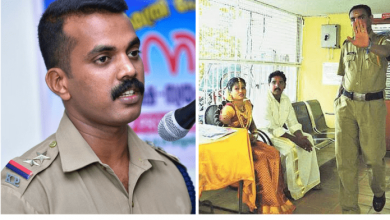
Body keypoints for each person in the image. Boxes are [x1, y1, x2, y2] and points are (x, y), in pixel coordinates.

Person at [1, 0, 192, 214]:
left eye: (133, 53)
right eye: (103, 59)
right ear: (59, 83)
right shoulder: (26, 195)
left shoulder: (173, 175)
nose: (129, 69)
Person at [335, 4, 390, 214]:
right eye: (353, 18)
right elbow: (343, 75)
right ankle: (350, 211)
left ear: (371, 19)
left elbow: (387, 52)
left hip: (372, 107)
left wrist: (367, 46)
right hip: (346, 106)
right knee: (345, 160)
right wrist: (338, 97)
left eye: (361, 16)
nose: (357, 21)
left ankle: (378, 190)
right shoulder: (346, 45)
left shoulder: (382, 41)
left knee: (374, 158)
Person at [218, 77, 295, 214]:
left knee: (273, 153)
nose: (241, 91)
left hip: (249, 142)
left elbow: (252, 124)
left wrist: (253, 133)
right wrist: (241, 136)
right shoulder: (228, 109)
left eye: (243, 88)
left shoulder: (247, 105)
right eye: (237, 88)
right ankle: (265, 202)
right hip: (234, 146)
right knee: (261, 160)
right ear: (230, 92)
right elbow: (221, 131)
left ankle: (277, 196)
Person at [259, 71, 321, 200]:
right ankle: (292, 189)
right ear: (269, 85)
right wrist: (296, 140)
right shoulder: (264, 99)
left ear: (285, 85)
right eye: (274, 82)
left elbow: (292, 121)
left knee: (308, 139)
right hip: (266, 134)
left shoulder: (285, 99)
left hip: (279, 132)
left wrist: (299, 136)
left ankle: (310, 181)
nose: (277, 85)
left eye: (280, 82)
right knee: (290, 149)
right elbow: (270, 126)